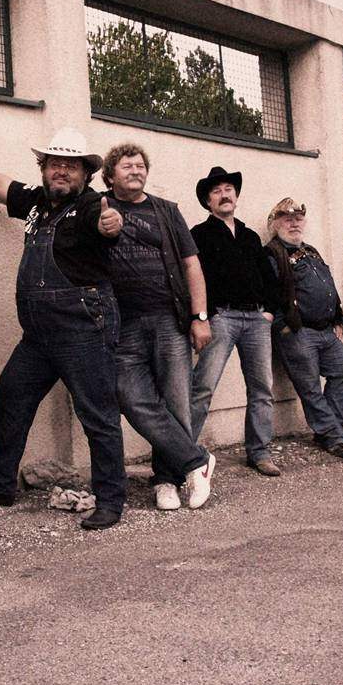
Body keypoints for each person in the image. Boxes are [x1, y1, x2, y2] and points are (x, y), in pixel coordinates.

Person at [0, 128, 128, 529]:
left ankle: (111, 500)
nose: (62, 171)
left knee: (98, 414)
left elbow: (106, 223)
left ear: (86, 174)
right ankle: (0, 484)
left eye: (71, 166)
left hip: (83, 331)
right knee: (11, 394)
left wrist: (111, 224)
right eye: (55, 163)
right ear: (44, 168)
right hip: (39, 337)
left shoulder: (90, 206)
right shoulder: (38, 203)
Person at [100, 143, 215, 510]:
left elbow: (191, 265)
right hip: (123, 325)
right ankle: (197, 461)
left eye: (140, 166)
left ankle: (167, 480)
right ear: (110, 175)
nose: (136, 171)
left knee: (177, 403)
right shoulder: (97, 207)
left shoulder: (166, 210)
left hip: (169, 320)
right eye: (127, 166)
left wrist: (200, 317)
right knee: (131, 398)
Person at [189, 166, 282, 477]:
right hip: (222, 318)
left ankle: (259, 452)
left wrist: (268, 311)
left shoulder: (250, 236)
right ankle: (181, 455)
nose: (224, 194)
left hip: (256, 319)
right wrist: (205, 315)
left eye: (228, 189)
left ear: (236, 196)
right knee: (202, 387)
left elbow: (269, 279)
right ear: (208, 202)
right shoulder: (198, 235)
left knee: (261, 389)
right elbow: (192, 278)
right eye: (216, 191)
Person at [264, 198, 343, 458]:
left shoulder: (311, 250)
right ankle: (333, 436)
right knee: (310, 387)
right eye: (287, 219)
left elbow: (327, 283)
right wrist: (284, 326)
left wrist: (337, 316)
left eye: (298, 219)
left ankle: (331, 431)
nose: (294, 223)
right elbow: (269, 293)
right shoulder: (272, 253)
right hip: (297, 331)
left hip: (325, 330)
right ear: (275, 225)